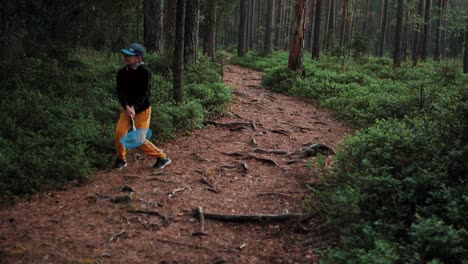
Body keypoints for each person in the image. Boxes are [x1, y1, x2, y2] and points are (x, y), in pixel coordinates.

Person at [113, 43, 171, 170]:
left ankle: (162, 157)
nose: (126, 57)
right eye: (125, 54)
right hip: (127, 109)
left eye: (129, 55)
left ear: (138, 58)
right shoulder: (121, 73)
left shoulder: (145, 73)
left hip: (143, 109)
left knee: (139, 140)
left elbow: (143, 93)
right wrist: (127, 106)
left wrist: (134, 107)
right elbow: (120, 91)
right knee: (119, 133)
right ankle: (121, 159)